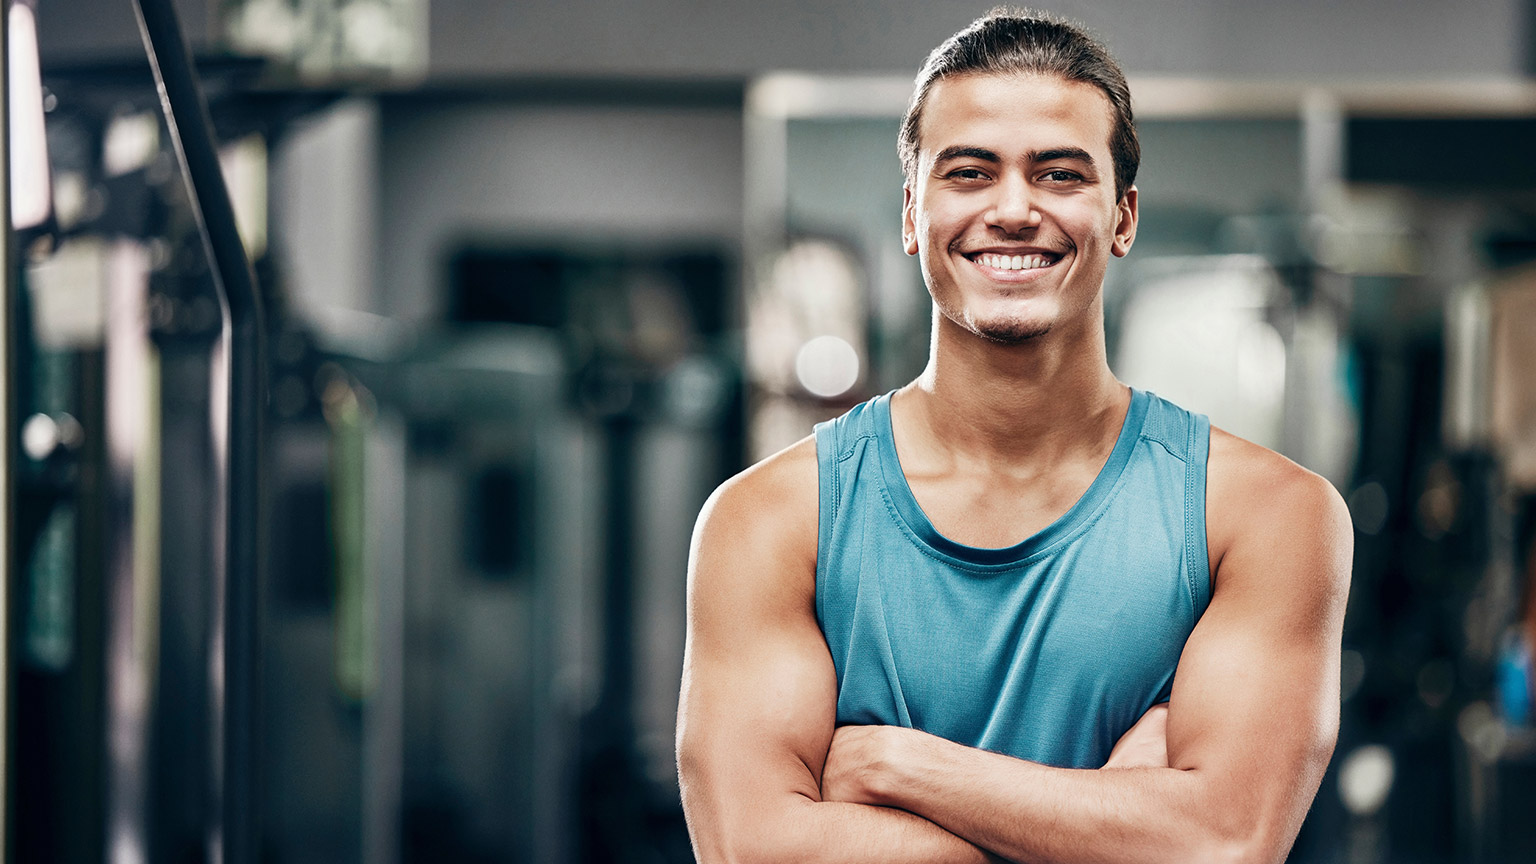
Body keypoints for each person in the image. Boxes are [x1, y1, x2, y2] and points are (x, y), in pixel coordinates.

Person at [677, 8, 1352, 863]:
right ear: (913, 213)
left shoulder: (1266, 516)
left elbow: (1221, 844)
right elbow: (756, 851)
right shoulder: (768, 521)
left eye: (1061, 174)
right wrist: (1121, 822)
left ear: (1123, 217)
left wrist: (900, 767)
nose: (1012, 209)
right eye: (968, 172)